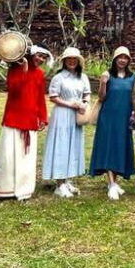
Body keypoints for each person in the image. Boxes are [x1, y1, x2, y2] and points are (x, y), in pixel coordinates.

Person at [0, 45, 49, 201]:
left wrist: (43, 117)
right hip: (14, 117)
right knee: (8, 155)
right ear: (31, 54)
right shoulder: (15, 69)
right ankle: (2, 190)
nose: (40, 59)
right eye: (38, 55)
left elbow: (40, 97)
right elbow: (14, 89)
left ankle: (24, 189)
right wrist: (25, 71)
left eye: (44, 57)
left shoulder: (41, 74)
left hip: (31, 118)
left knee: (26, 156)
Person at [90, 46, 135, 200]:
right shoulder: (108, 75)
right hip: (108, 117)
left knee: (119, 148)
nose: (122, 60)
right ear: (115, 59)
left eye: (125, 58)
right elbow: (101, 97)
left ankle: (114, 182)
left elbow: (134, 97)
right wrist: (103, 83)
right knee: (109, 147)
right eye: (120, 57)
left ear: (128, 60)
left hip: (124, 118)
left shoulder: (133, 77)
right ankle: (111, 184)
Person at [43, 47, 91, 198]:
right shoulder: (59, 77)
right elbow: (53, 97)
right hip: (62, 115)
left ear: (78, 61)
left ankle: (68, 179)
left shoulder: (82, 77)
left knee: (73, 145)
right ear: (64, 61)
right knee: (61, 145)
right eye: (69, 59)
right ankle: (59, 183)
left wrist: (84, 103)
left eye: (74, 59)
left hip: (77, 116)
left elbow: (87, 93)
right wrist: (71, 104)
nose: (71, 61)